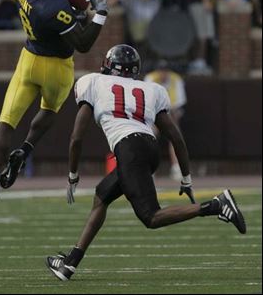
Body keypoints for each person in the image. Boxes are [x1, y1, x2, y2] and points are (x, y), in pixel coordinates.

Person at [45, 44, 246, 282]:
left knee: (151, 217)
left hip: (129, 150)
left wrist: (72, 173)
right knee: (101, 196)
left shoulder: (93, 82)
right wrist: (186, 177)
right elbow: (176, 138)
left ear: (109, 66)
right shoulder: (151, 89)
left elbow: (76, 137)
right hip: (148, 148)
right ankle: (70, 264)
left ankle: (216, 205)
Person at [0, 0, 109, 217]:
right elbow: (82, 44)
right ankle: (24, 150)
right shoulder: (52, 7)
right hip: (57, 68)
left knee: (6, 121)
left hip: (29, 60)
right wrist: (99, 14)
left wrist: (75, 12)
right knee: (48, 110)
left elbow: (62, 13)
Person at [144, 60, 187, 180]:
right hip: (153, 114)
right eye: (161, 71)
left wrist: (169, 119)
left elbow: (179, 103)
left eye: (165, 71)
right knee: (150, 135)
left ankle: (177, 168)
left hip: (171, 113)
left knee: (175, 134)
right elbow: (147, 102)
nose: (163, 74)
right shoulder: (150, 78)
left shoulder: (176, 79)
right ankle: (149, 168)